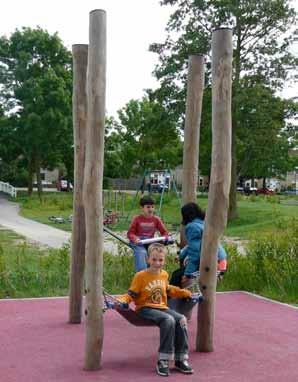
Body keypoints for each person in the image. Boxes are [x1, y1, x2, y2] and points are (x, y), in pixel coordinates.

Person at [118, 243, 194, 377]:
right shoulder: (140, 276)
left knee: (181, 319)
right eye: (154, 260)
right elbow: (131, 294)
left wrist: (184, 293)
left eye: (160, 260)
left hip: (162, 308)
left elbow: (169, 289)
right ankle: (163, 360)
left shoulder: (164, 274)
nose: (157, 263)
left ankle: (180, 359)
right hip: (145, 309)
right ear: (148, 259)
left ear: (164, 260)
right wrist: (123, 301)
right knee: (168, 320)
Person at [170, 202, 228, 287]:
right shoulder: (203, 223)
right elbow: (193, 245)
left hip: (212, 263)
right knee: (181, 272)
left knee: (176, 277)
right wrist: (181, 255)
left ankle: (171, 298)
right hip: (221, 260)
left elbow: (194, 254)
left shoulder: (192, 227)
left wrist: (188, 274)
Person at [127, 196, 169, 272]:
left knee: (156, 254)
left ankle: (155, 273)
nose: (151, 209)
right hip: (138, 242)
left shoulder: (156, 219)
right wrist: (135, 238)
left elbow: (164, 232)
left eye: (152, 207)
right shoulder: (137, 219)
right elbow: (130, 233)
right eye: (148, 207)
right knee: (141, 252)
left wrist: (165, 238)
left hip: (149, 242)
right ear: (142, 208)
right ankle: (142, 274)